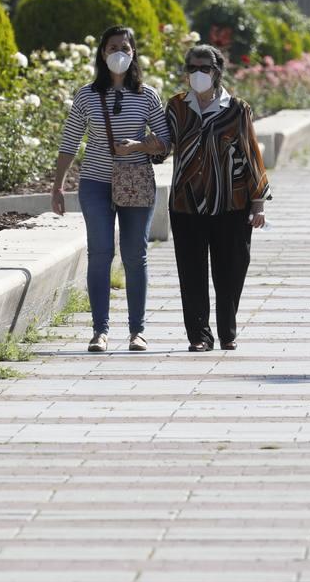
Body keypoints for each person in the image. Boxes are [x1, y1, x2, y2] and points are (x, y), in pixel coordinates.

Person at [52, 25, 170, 353]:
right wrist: (58, 186)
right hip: (95, 183)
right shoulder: (87, 95)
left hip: (135, 184)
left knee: (135, 255)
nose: (119, 52)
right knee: (100, 253)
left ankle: (137, 331)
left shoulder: (147, 95)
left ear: (134, 54)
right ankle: (99, 331)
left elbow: (164, 142)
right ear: (102, 54)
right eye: (112, 47)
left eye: (125, 48)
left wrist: (136, 147)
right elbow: (70, 141)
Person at [163, 44, 270, 352]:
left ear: (217, 72)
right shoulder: (176, 107)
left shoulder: (237, 109)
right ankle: (199, 335)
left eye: (205, 68)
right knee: (191, 272)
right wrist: (140, 147)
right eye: (193, 68)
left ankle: (227, 331)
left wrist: (258, 202)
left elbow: (252, 155)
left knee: (232, 269)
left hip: (231, 204)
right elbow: (164, 146)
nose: (199, 74)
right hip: (186, 203)